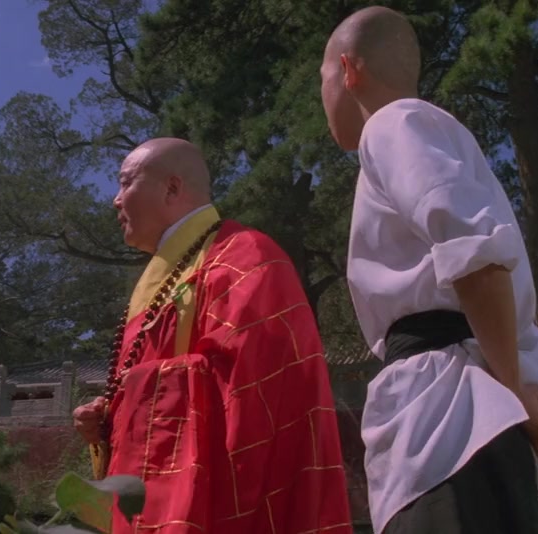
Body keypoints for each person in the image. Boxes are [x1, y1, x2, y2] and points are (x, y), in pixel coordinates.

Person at [318, 6, 538, 533]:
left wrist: (515, 393)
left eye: (321, 78)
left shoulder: (392, 124)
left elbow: (474, 257)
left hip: (447, 421)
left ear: (348, 70)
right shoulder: (436, 139)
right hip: (475, 409)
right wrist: (520, 388)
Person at [71, 138, 353, 533]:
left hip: (220, 503)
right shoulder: (156, 281)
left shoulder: (245, 258)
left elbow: (259, 395)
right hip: (151, 498)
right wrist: (109, 420)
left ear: (171, 188)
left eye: (126, 183)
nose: (116, 201)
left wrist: (136, 398)